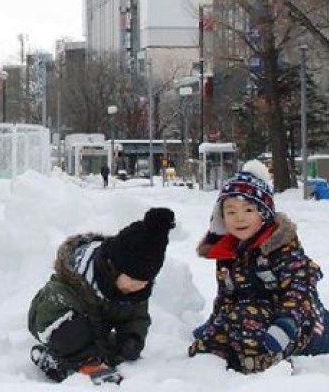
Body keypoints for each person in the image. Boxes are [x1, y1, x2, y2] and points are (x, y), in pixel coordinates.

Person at [189, 159, 329, 373]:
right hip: (251, 315)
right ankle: (219, 359)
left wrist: (287, 323)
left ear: (264, 214)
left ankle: (266, 364)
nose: (239, 218)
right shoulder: (228, 254)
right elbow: (227, 295)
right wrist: (216, 325)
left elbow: (301, 289)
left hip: (301, 322)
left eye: (248, 210)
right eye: (231, 212)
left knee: (248, 323)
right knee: (214, 336)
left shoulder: (281, 249)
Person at [28, 207, 176, 384]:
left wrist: (133, 338)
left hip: (97, 331)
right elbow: (46, 316)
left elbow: (137, 316)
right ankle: (70, 364)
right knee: (70, 334)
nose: (136, 288)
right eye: (132, 280)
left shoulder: (134, 291)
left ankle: (83, 359)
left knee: (119, 349)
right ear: (112, 268)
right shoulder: (69, 284)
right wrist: (89, 355)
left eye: (143, 283)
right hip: (57, 323)